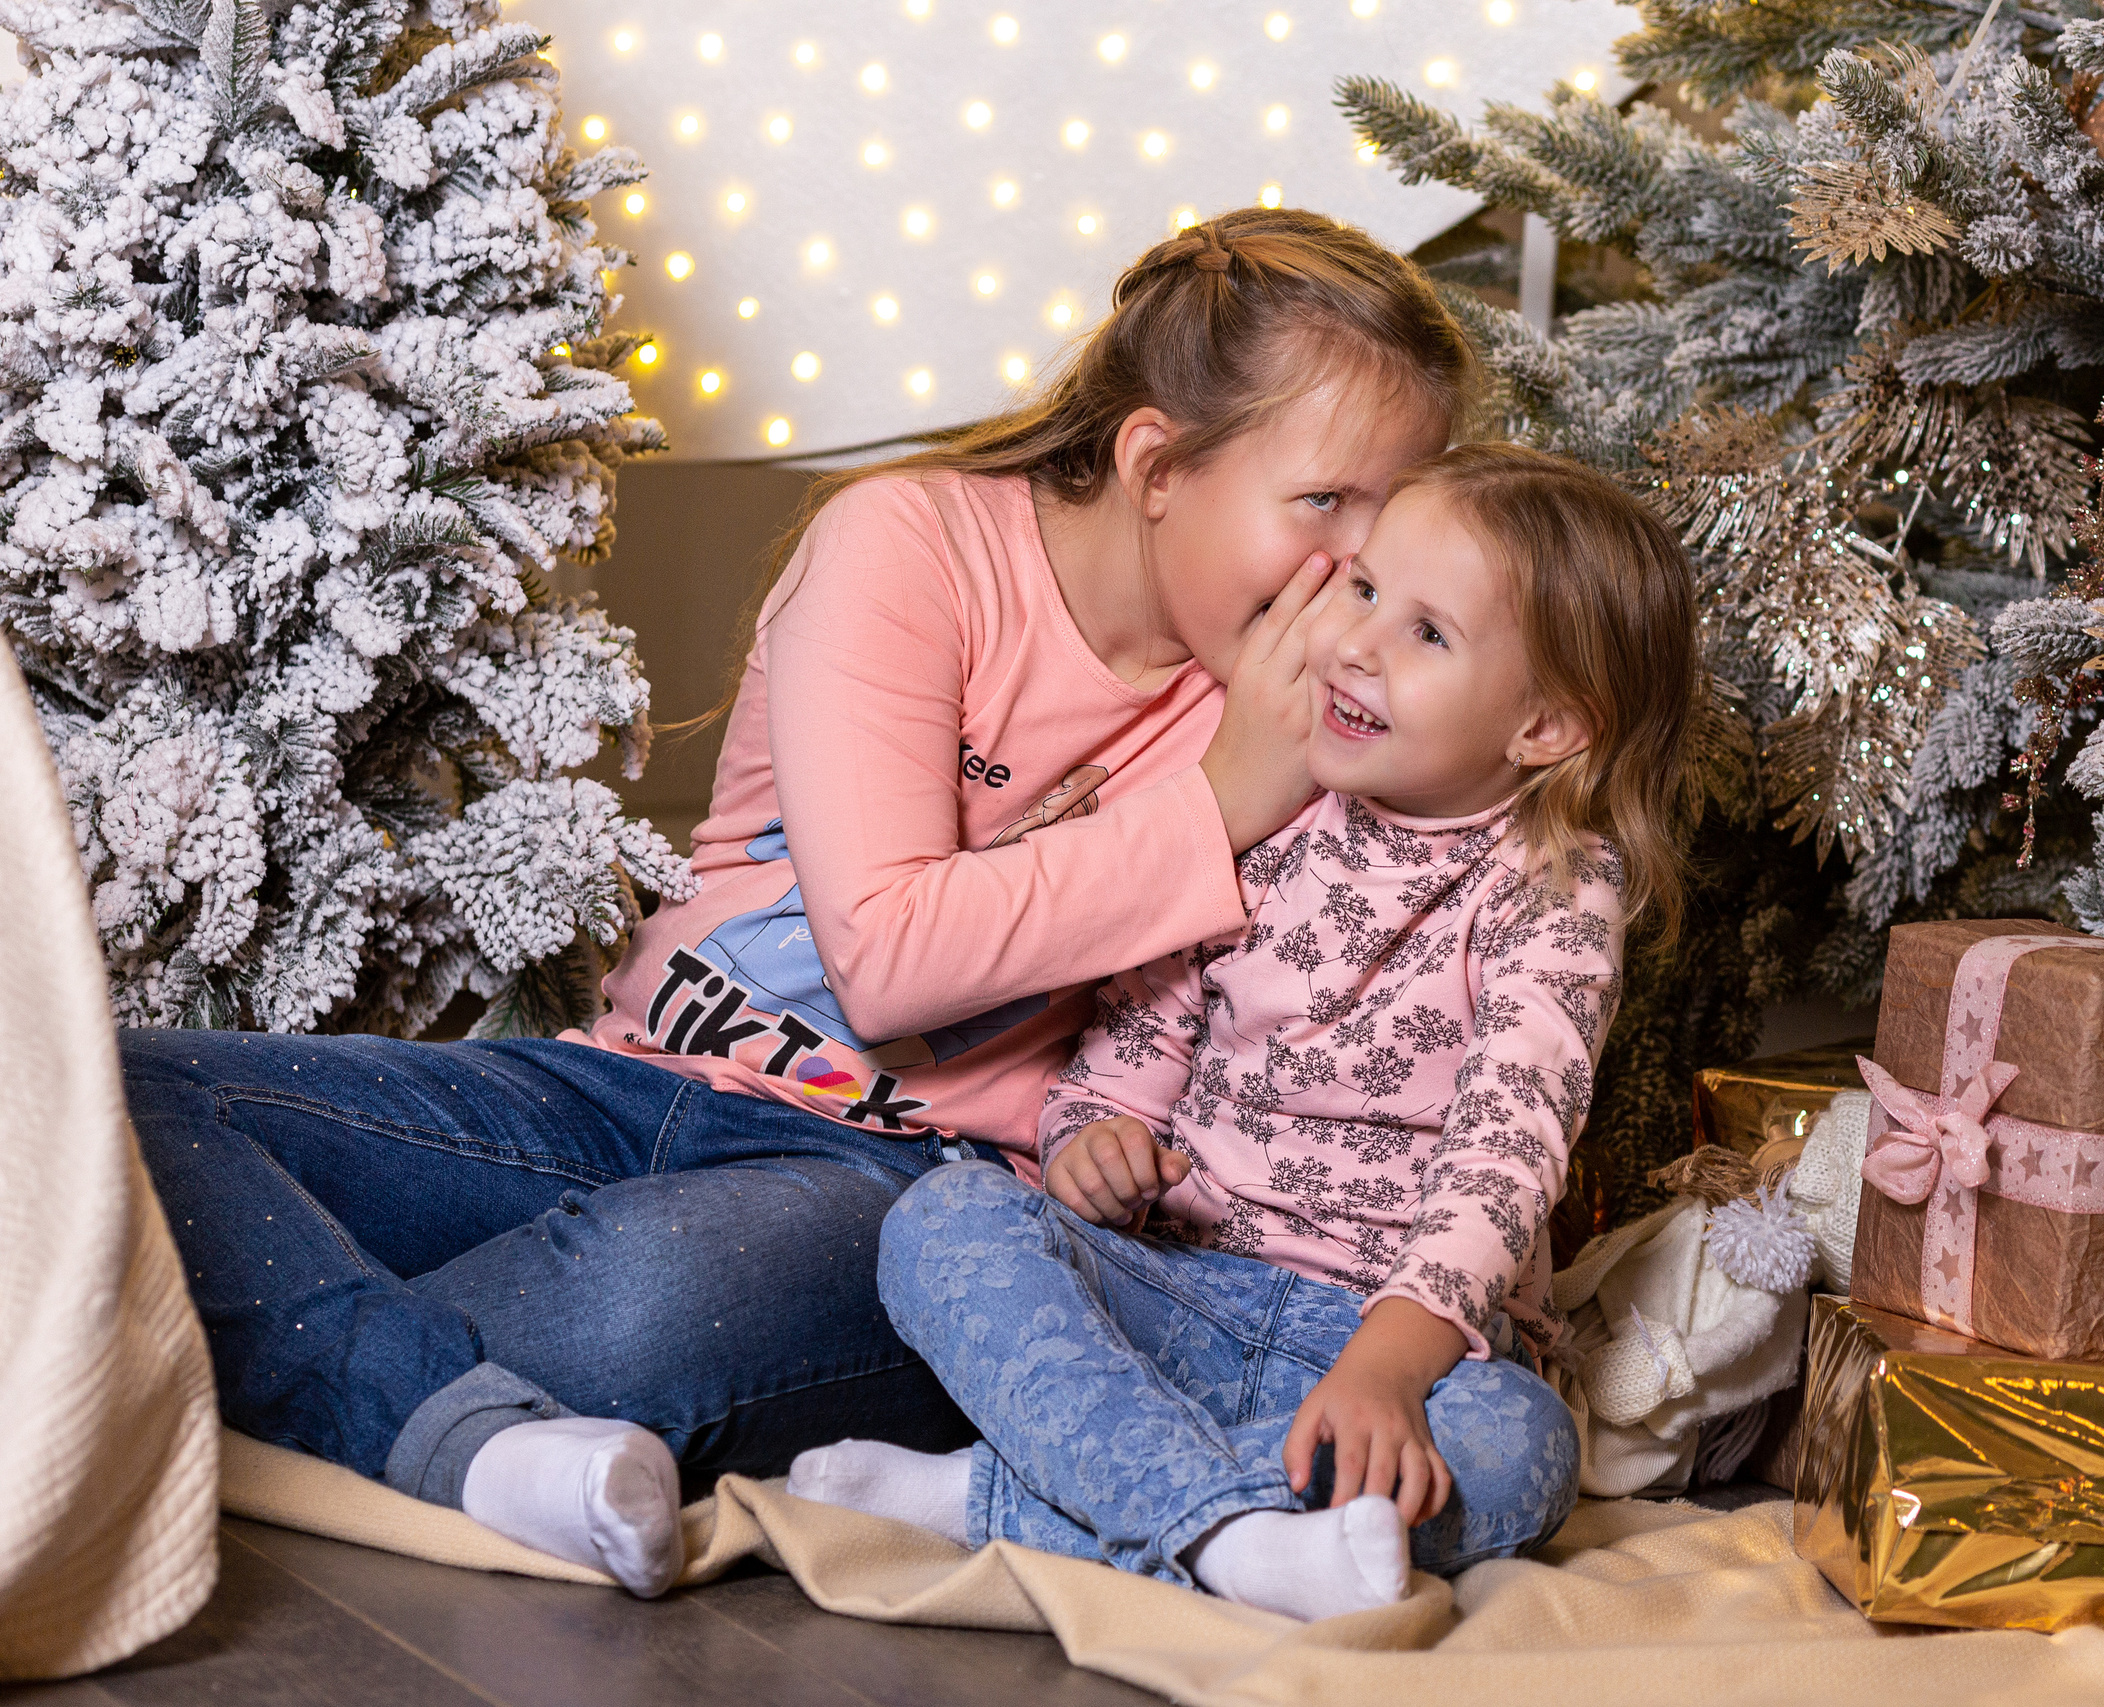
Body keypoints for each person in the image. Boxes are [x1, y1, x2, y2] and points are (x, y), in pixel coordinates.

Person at [118, 209, 1469, 1596]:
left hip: (916, 1192)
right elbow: (885, 960)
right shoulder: (915, 542)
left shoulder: (1329, 708)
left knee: (639, 1312)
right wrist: (1217, 802)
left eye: (1396, 513)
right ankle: (447, 1430)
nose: (1356, 575)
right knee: (110, 1100)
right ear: (1157, 462)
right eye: (1326, 505)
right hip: (620, 1092)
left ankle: (249, 1352)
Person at [791, 444, 1698, 1621]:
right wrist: (1093, 1137)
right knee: (946, 1218)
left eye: (1428, 633)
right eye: (1364, 589)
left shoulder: (1550, 888)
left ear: (1545, 727)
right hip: (1184, 1284)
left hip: (1392, 1346)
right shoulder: (1273, 802)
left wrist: (1385, 1369)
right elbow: (1140, 1032)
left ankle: (998, 1503)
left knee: (1519, 1449)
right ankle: (1230, 1530)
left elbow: (1505, 1155)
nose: (1357, 641)